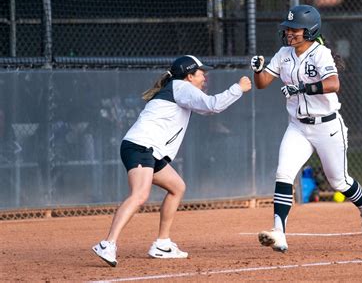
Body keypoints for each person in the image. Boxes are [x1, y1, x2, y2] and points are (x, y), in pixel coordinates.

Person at [92, 55, 252, 266]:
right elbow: (213, 105)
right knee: (140, 195)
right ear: (189, 76)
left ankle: (162, 243)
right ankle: (108, 243)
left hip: (150, 150)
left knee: (177, 187)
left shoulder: (179, 88)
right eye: (201, 72)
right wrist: (238, 88)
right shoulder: (182, 87)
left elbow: (206, 109)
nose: (205, 77)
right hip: (141, 147)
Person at [250, 5, 362, 253]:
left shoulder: (321, 54)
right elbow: (262, 83)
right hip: (298, 127)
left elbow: (334, 84)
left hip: (327, 126)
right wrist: (258, 69)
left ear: (309, 30)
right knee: (284, 174)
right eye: (288, 29)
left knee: (339, 181)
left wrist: (301, 88)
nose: (289, 33)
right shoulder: (284, 53)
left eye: (295, 29)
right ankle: (279, 232)